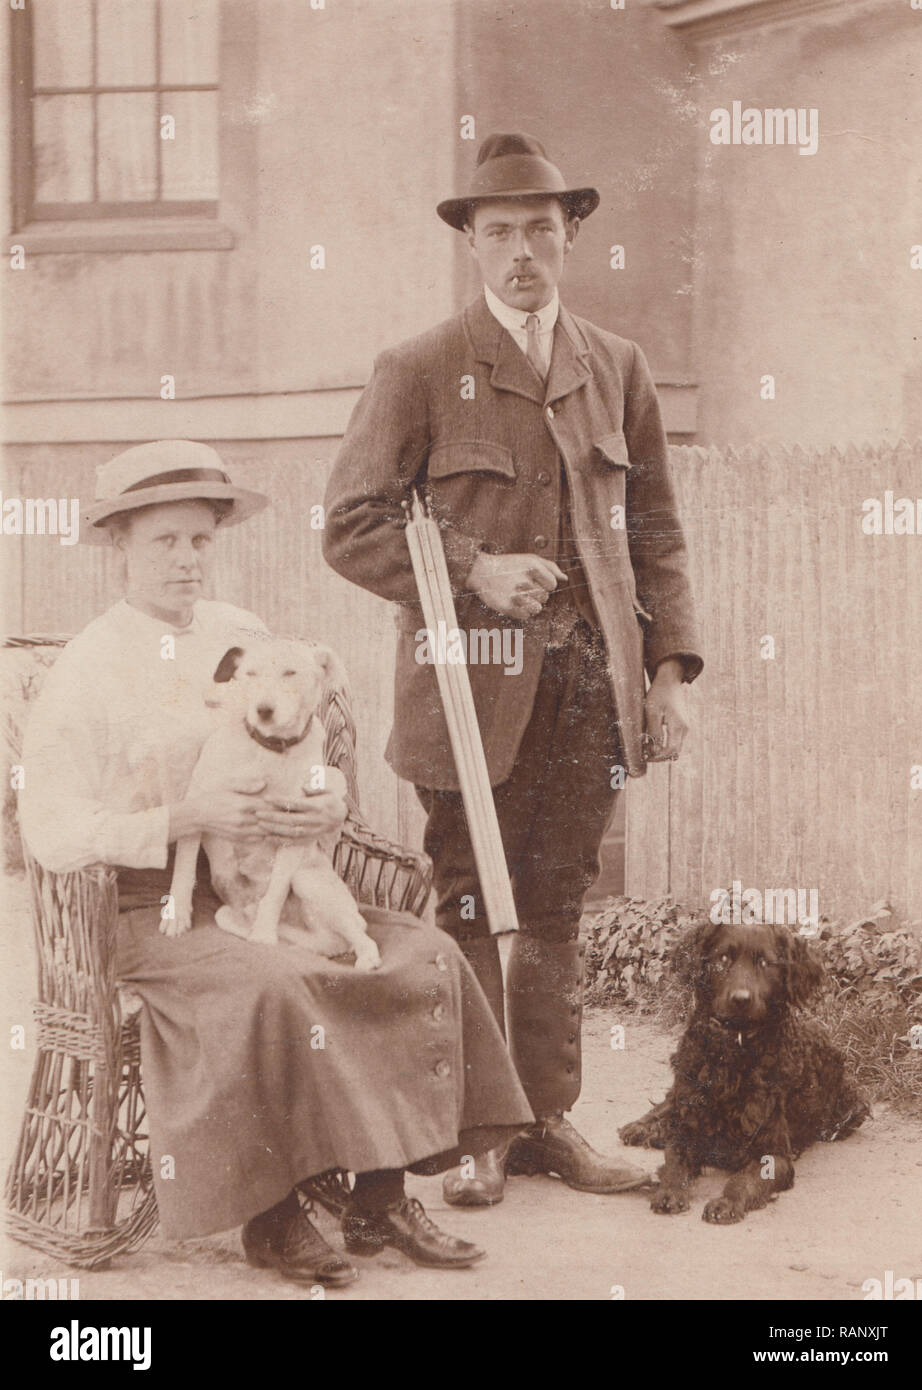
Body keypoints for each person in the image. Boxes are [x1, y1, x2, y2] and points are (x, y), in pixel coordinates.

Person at [20, 439, 534, 1285]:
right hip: (150, 907)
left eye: (199, 541)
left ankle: (379, 1192)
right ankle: (272, 1212)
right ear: (117, 547)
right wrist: (183, 816)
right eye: (163, 542)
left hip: (276, 870)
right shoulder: (88, 669)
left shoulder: (240, 633)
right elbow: (52, 829)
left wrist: (329, 797)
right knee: (272, 982)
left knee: (425, 950)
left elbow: (308, 740)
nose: (187, 561)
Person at [323, 133, 704, 1207]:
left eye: (541, 230)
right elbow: (347, 526)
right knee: (465, 903)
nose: (522, 253)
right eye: (500, 234)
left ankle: (546, 1121)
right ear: (472, 246)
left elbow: (657, 532)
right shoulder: (417, 368)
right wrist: (472, 569)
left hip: (590, 692)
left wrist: (666, 674)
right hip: (465, 693)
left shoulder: (614, 367)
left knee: (554, 908)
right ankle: (473, 1131)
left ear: (569, 236)